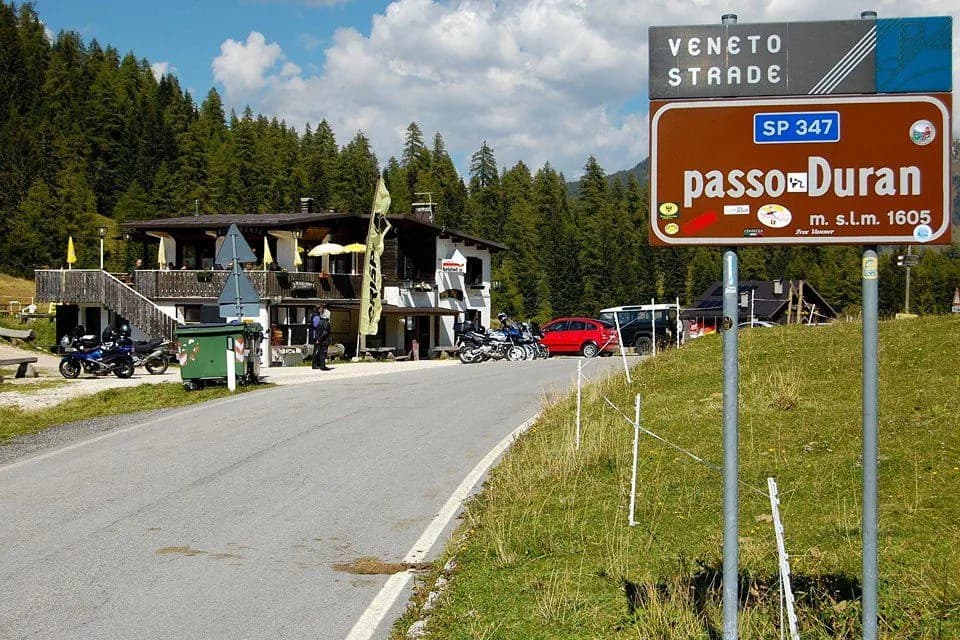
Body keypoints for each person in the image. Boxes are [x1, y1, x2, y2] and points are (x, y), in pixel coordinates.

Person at [310, 303, 332, 370]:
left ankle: (317, 365)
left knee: (318, 351)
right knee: (322, 352)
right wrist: (319, 339)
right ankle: (320, 365)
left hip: (318, 337)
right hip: (321, 339)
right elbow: (324, 332)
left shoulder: (319, 319)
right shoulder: (323, 320)